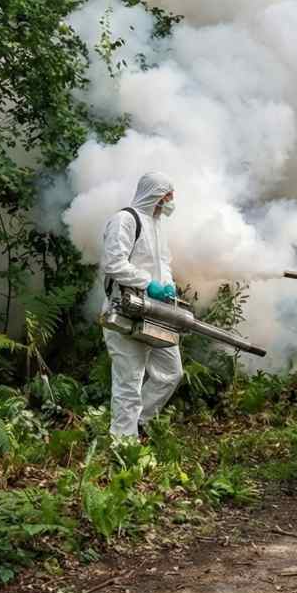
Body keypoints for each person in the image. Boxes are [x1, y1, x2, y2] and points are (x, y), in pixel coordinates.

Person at [100, 171, 183, 439]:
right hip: (126, 309)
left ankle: (140, 421)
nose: (170, 201)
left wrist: (167, 285)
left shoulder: (157, 226)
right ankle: (124, 444)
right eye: (167, 195)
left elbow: (163, 262)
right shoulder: (125, 220)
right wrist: (149, 283)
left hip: (156, 312)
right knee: (129, 382)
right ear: (154, 195)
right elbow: (114, 264)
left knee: (171, 372)